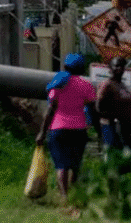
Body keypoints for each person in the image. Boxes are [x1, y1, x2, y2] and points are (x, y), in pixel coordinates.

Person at [36, 53, 103, 203]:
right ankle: (74, 192)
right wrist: (99, 131)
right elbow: (93, 111)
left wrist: (42, 132)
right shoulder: (87, 86)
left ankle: (64, 197)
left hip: (58, 129)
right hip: (79, 130)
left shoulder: (58, 83)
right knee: (75, 164)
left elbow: (50, 110)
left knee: (62, 165)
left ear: (65, 67)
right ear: (82, 69)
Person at [96, 56, 131, 174]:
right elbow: (98, 108)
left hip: (126, 129)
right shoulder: (106, 85)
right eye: (116, 66)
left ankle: (124, 188)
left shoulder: (125, 87)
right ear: (110, 69)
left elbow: (130, 112)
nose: (119, 68)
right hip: (112, 128)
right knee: (113, 161)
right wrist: (114, 117)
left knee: (127, 162)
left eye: (122, 66)